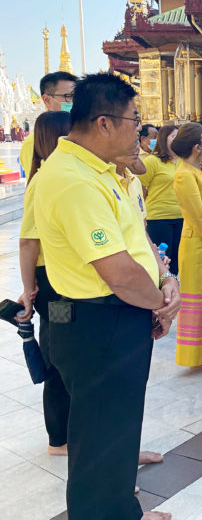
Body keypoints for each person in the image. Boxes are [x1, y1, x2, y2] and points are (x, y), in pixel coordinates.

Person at [33, 73, 179, 520]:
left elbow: (136, 238)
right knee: (100, 432)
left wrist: (164, 280)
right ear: (104, 123)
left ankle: (122, 509)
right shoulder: (74, 180)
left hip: (120, 315)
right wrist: (161, 304)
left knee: (115, 425)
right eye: (135, 120)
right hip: (100, 322)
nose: (140, 131)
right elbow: (118, 271)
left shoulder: (103, 172)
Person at [18, 111, 72, 456]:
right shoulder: (45, 181)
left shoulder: (56, 176)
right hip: (53, 285)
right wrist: (29, 289)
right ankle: (59, 438)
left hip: (58, 279)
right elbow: (28, 241)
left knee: (66, 350)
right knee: (58, 355)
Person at [171, 122, 202, 369]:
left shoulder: (198, 171)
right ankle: (199, 356)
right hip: (197, 245)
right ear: (197, 147)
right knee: (199, 301)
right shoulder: (184, 175)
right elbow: (199, 217)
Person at [140, 124, 184, 274]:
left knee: (178, 261)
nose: (177, 139)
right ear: (164, 139)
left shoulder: (184, 161)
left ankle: (175, 286)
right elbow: (141, 187)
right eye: (173, 136)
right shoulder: (152, 161)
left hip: (182, 216)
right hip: (159, 218)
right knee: (162, 260)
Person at [20, 71, 77, 176]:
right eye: (69, 96)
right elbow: (37, 180)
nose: (74, 102)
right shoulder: (35, 141)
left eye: (77, 96)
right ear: (47, 100)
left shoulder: (80, 133)